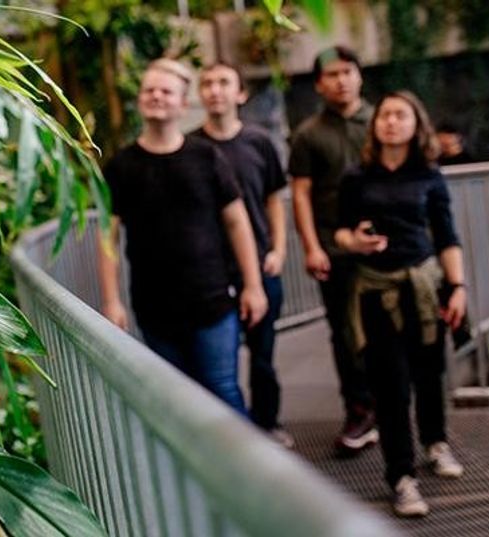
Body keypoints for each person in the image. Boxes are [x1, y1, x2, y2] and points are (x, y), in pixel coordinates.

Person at [97, 58, 268, 416]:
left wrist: (253, 285)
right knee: (175, 402)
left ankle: (243, 469)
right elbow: (106, 238)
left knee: (222, 390)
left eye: (165, 91)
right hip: (154, 308)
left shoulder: (207, 157)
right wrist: (111, 301)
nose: (156, 96)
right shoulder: (121, 166)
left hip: (213, 303)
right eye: (149, 90)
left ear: (182, 102)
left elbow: (238, 223)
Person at [335, 90, 466, 518]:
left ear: (416, 125)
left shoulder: (429, 174)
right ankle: (401, 477)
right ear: (375, 125)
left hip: (424, 287)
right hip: (375, 291)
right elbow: (339, 232)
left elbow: (446, 236)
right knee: (389, 386)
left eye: (400, 115)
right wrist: (353, 241)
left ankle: (435, 441)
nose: (391, 121)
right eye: (385, 115)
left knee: (430, 372)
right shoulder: (357, 176)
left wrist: (458, 286)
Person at [190, 62, 292, 446]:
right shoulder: (190, 147)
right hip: (212, 274)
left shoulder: (259, 142)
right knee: (219, 363)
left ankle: (268, 424)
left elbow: (273, 201)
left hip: (261, 266)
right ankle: (231, 438)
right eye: (208, 84)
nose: (215, 90)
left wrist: (278, 250)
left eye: (223, 82)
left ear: (240, 94)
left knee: (263, 355)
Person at [289, 46, 377, 455]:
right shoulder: (308, 134)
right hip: (332, 249)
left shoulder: (383, 121)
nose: (341, 80)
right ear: (320, 84)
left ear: (359, 75)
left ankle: (394, 411)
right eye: (332, 74)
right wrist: (311, 246)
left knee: (389, 330)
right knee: (344, 333)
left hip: (382, 246)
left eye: (348, 71)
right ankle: (359, 412)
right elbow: (301, 195)